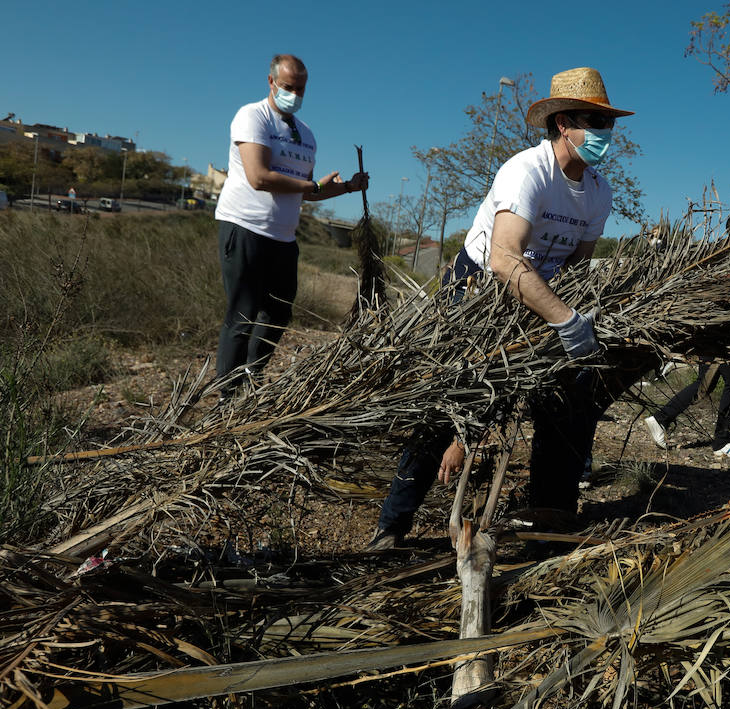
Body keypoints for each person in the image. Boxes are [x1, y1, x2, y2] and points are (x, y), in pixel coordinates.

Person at [370, 67, 632, 548]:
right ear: (561, 125)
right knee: (447, 403)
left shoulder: (598, 192)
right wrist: (565, 320)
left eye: (606, 123)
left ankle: (549, 521)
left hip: (540, 294)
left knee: (568, 403)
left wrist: (568, 315)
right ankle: (392, 527)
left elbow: (576, 266)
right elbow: (505, 257)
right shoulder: (526, 171)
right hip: (474, 291)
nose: (601, 133)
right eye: (590, 122)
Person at [215, 54, 368, 389]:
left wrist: (347, 188)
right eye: (287, 87)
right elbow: (259, 177)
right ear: (271, 82)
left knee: (278, 314)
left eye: (300, 89)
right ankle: (227, 396)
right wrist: (311, 185)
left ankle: (251, 383)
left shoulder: (306, 134)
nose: (294, 95)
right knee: (242, 315)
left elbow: (307, 192)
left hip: (283, 238)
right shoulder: (253, 117)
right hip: (245, 228)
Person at [642, 362, 730, 458]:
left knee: (704, 384)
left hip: (715, 342)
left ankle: (661, 418)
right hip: (725, 342)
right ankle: (723, 441)